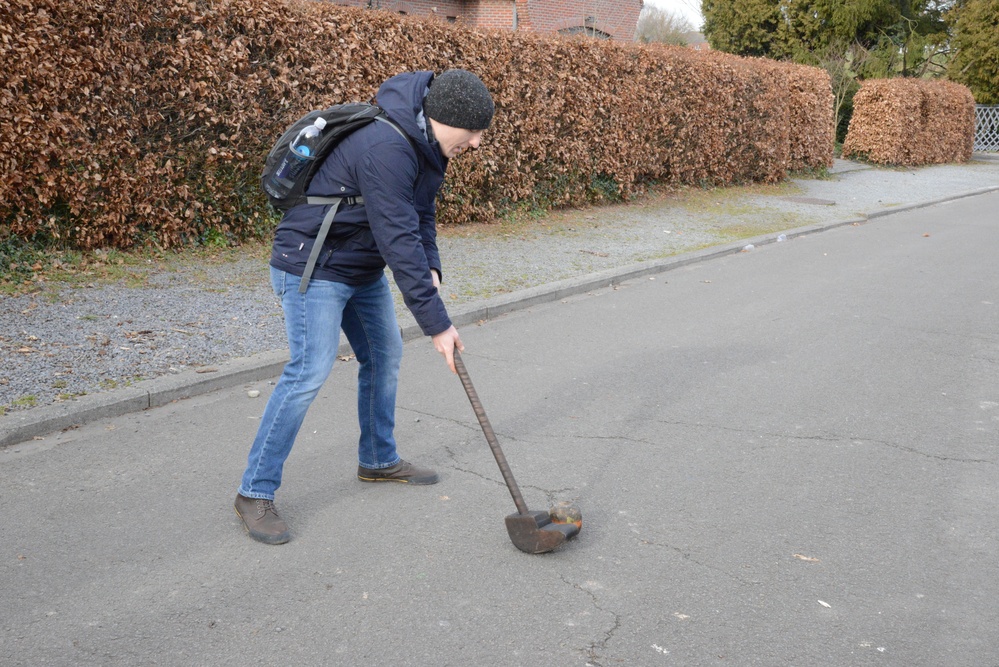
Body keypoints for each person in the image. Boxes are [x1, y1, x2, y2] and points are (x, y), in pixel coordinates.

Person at [234, 70, 494, 545]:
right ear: (448, 119)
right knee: (308, 371)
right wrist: (437, 325)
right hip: (312, 265)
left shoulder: (425, 146)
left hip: (358, 266)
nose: (477, 143)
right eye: (475, 132)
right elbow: (397, 238)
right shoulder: (387, 147)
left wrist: (431, 265)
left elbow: (420, 214)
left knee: (385, 353)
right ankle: (254, 492)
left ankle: (377, 459)